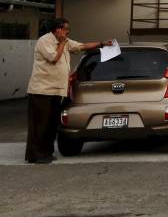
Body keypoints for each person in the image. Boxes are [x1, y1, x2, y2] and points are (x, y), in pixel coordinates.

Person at [25, 18, 111, 164]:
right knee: (40, 124)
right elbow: (54, 58)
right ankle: (35, 155)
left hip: (57, 90)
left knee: (51, 123)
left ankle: (47, 152)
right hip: (42, 90)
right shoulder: (44, 41)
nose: (68, 32)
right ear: (58, 29)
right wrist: (62, 43)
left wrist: (102, 43)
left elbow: (81, 46)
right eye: (66, 29)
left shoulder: (65, 41)